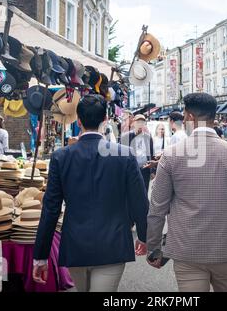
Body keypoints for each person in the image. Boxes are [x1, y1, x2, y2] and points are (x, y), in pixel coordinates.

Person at [147, 92, 227, 292]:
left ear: (189, 117)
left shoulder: (171, 156)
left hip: (186, 250)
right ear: (214, 116)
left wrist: (154, 248)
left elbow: (157, 208)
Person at [33, 95, 149, 292]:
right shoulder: (124, 154)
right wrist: (145, 236)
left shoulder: (62, 156)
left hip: (76, 240)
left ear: (79, 121)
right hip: (113, 241)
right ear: (105, 119)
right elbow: (139, 202)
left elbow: (50, 208)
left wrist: (41, 255)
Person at [121, 114, 154, 192]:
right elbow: (121, 156)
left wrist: (152, 171)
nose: (140, 124)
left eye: (142, 122)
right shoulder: (126, 137)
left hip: (145, 169)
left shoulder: (148, 137)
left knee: (144, 191)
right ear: (133, 123)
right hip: (131, 170)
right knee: (132, 192)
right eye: (138, 122)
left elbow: (151, 154)